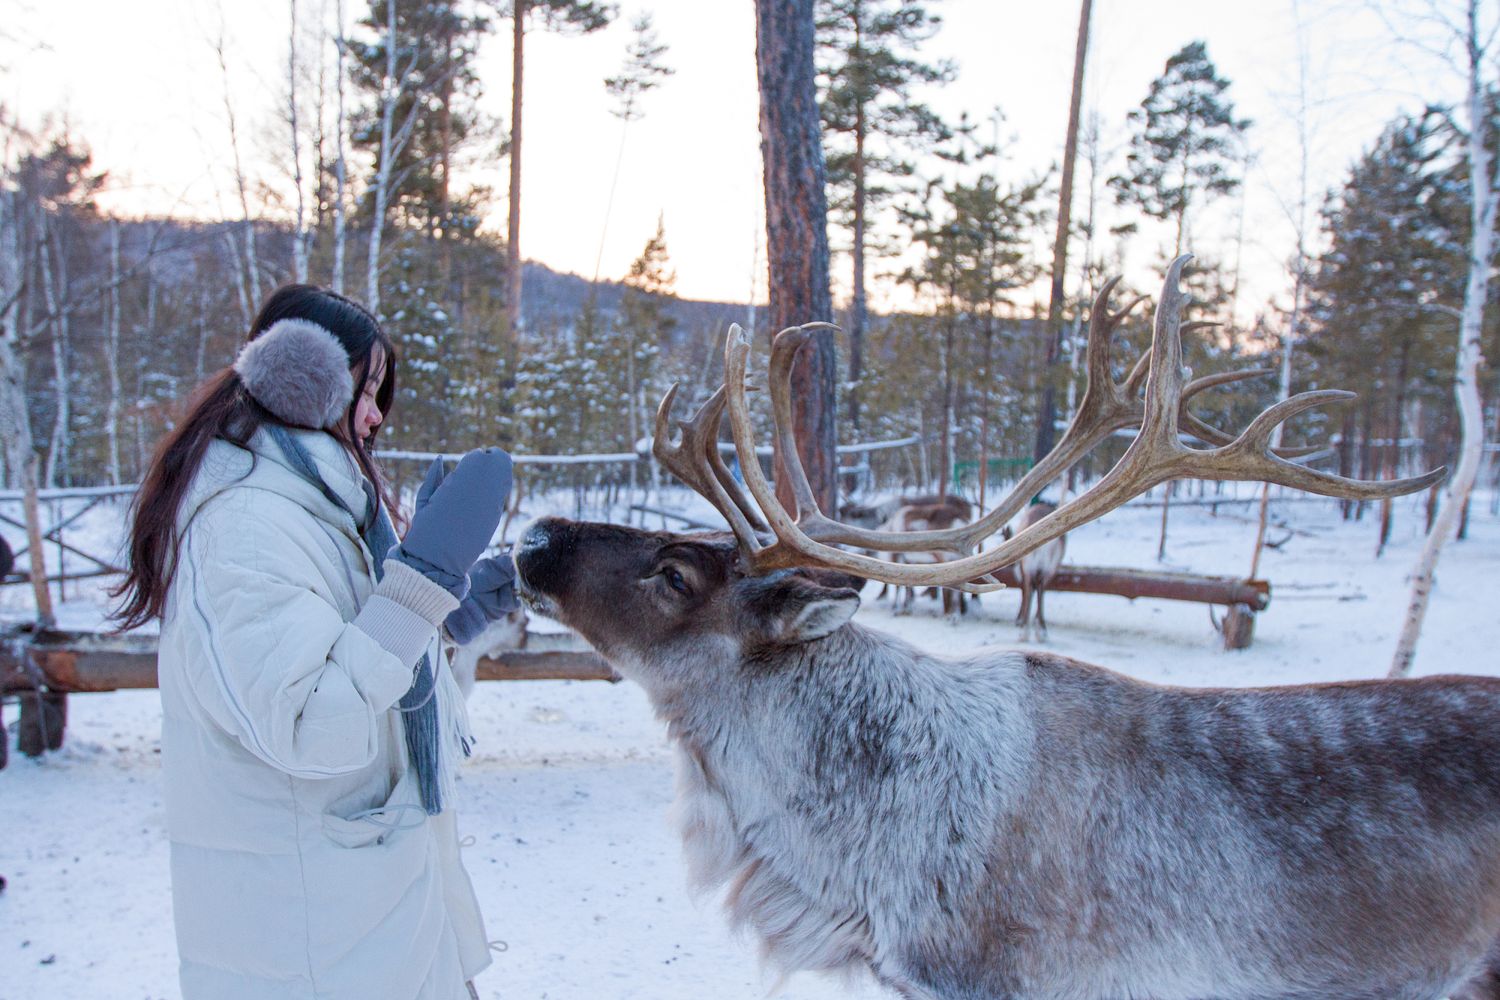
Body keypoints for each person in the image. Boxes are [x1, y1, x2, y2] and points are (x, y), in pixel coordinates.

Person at [112, 284, 519, 1000]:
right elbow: (308, 723)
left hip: (361, 916)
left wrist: (446, 613)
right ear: (302, 379)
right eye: (367, 388)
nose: (374, 414)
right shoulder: (241, 522)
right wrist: (419, 580)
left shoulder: (317, 507)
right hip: (310, 939)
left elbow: (350, 649)